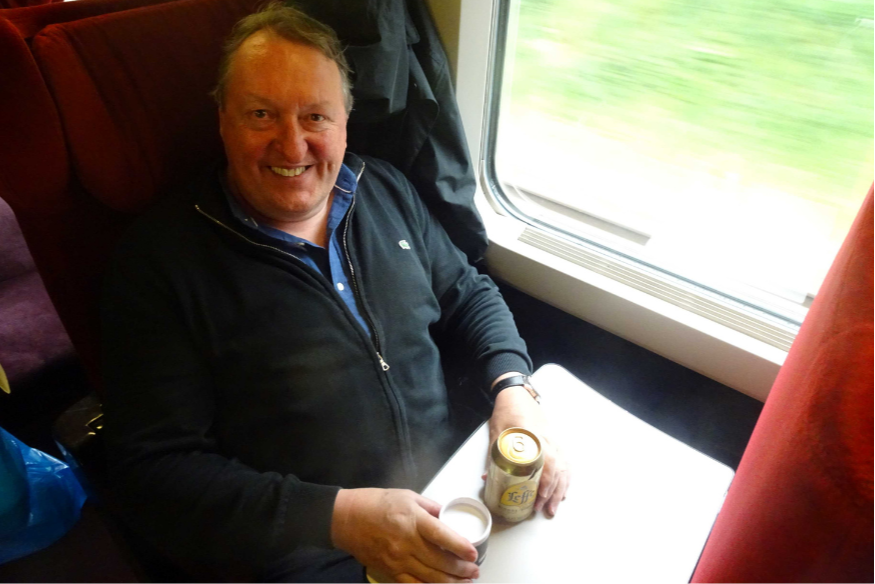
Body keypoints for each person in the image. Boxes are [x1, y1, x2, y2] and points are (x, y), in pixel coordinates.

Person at [101, 3, 569, 582]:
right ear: (222, 119)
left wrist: (514, 390)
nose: (292, 146)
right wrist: (339, 519)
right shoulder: (160, 264)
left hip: (450, 491)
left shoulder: (386, 190)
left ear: (346, 120)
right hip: (312, 553)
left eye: (316, 116)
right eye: (261, 114)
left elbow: (468, 293)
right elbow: (154, 474)